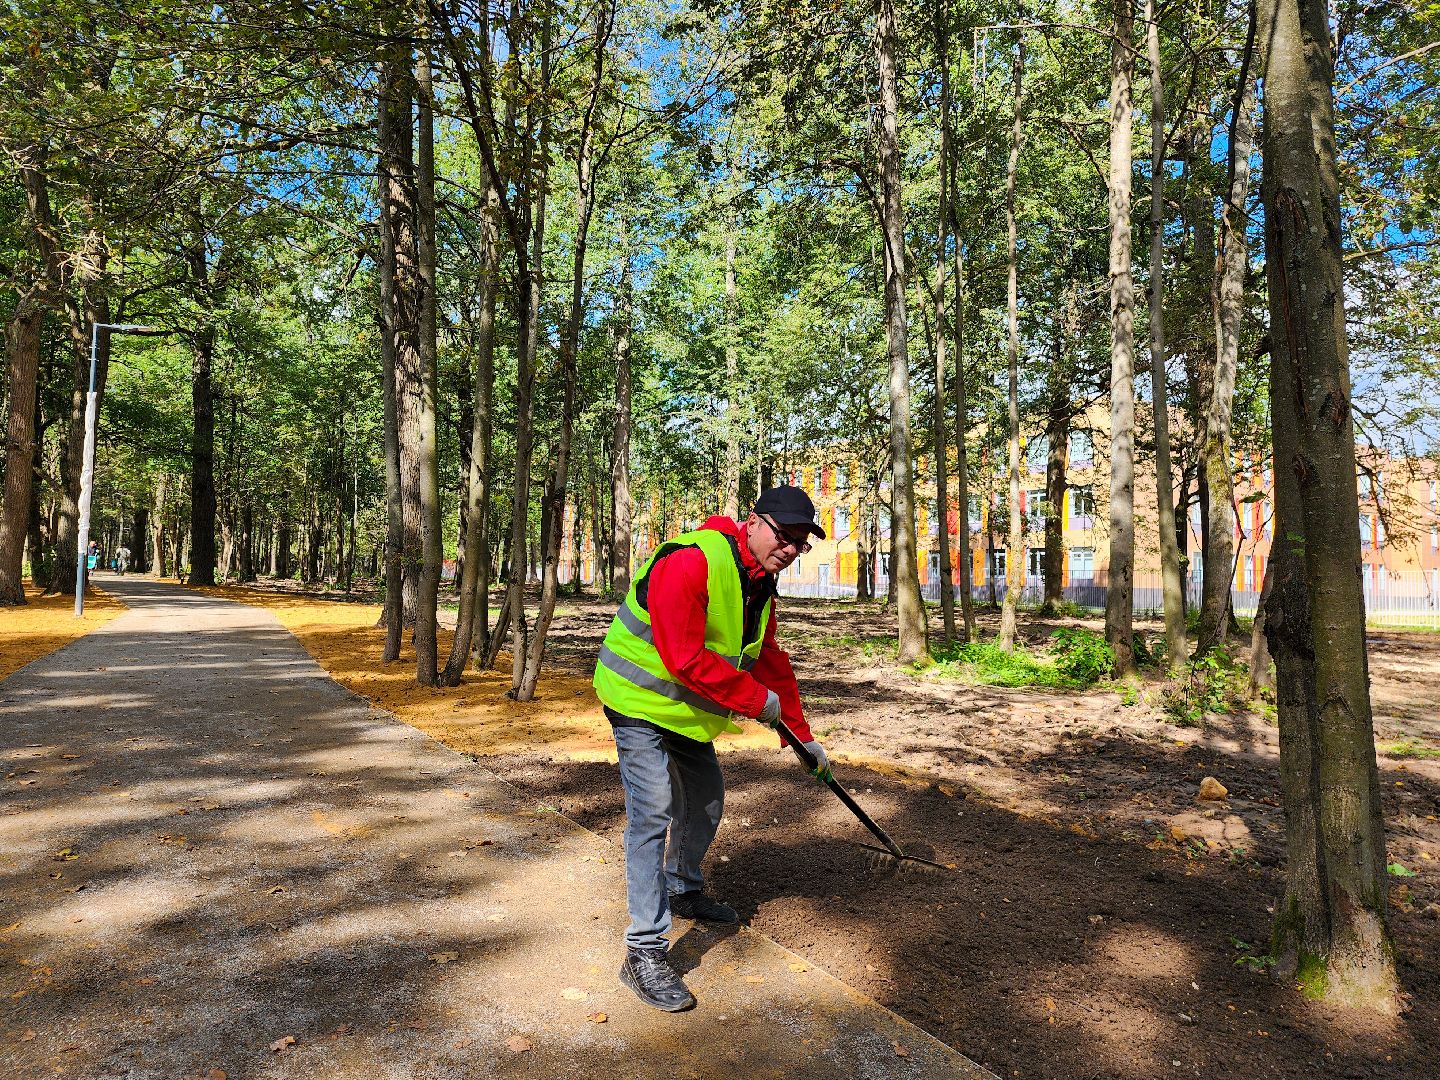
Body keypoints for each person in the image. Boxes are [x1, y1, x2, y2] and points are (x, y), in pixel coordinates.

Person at [593, 485, 832, 1012]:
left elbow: (768, 659)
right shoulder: (691, 562)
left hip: (682, 711)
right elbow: (684, 659)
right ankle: (645, 951)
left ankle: (682, 888)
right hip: (635, 698)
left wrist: (802, 737)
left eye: (801, 542)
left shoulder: (758, 583)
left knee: (705, 799)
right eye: (784, 535)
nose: (791, 549)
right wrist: (756, 703)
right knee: (652, 812)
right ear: (753, 522)